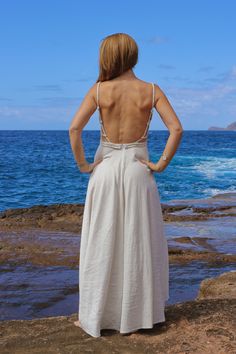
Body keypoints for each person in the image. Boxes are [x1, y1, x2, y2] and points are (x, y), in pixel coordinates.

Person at [69, 32, 183, 338]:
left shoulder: (99, 90)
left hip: (105, 171)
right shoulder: (151, 90)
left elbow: (74, 129)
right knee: (139, 239)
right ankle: (141, 315)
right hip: (137, 169)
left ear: (107, 57)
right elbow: (176, 128)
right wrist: (160, 165)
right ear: (133, 55)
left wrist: (84, 166)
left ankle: (95, 317)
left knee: (102, 242)